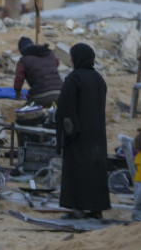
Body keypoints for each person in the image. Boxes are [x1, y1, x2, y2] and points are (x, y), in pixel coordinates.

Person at [55, 42, 111, 219]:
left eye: (72, 56)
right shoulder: (98, 79)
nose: (70, 59)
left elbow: (65, 108)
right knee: (95, 172)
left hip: (79, 136)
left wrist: (67, 133)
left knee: (77, 171)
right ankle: (96, 209)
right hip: (97, 134)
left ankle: (77, 208)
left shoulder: (74, 78)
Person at [13, 36, 63, 108]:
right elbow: (57, 63)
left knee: (25, 113)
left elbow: (19, 78)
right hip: (60, 93)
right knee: (53, 109)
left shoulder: (23, 61)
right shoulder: (49, 54)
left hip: (40, 96)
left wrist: (17, 92)